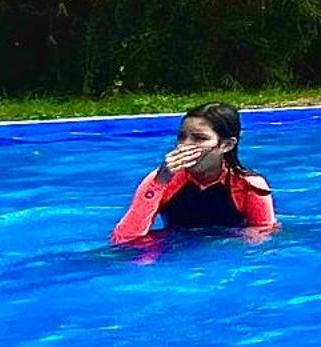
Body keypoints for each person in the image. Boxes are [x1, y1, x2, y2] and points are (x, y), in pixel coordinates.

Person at [111, 102, 277, 243]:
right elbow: (124, 239)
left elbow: (263, 236)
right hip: (175, 250)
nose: (184, 146)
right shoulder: (161, 180)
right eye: (181, 137)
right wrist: (158, 184)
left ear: (226, 145)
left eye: (199, 138)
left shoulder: (250, 185)